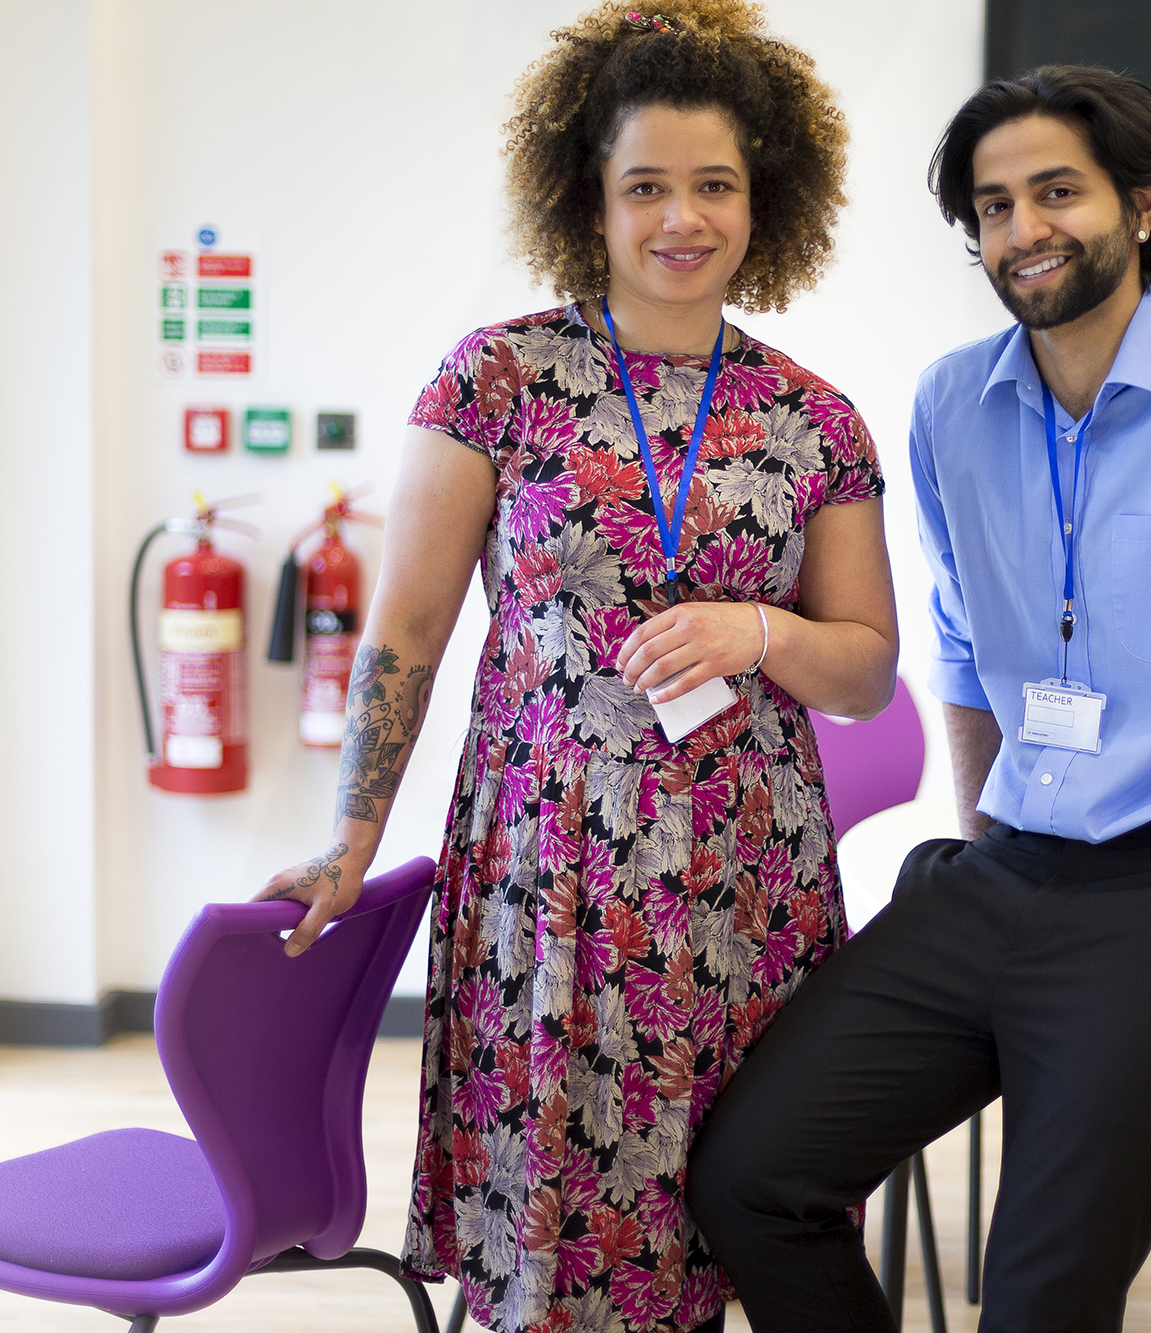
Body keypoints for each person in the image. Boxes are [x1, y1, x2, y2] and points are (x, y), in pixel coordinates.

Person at [687, 64, 1151, 1332]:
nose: (1020, 230)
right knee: (751, 1178)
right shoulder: (949, 403)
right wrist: (984, 843)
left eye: (1055, 192)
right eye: (990, 207)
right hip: (1010, 871)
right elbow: (964, 649)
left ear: (1140, 205)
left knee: (1037, 1299)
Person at [254, 5, 897, 1331]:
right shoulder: (497, 382)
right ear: (585, 201)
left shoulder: (813, 418)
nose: (682, 216)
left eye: (714, 184)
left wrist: (760, 635)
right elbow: (408, 633)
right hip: (555, 882)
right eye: (644, 185)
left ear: (763, 199)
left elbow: (866, 671)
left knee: (726, 1222)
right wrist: (347, 839)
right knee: (559, 1245)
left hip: (746, 891)